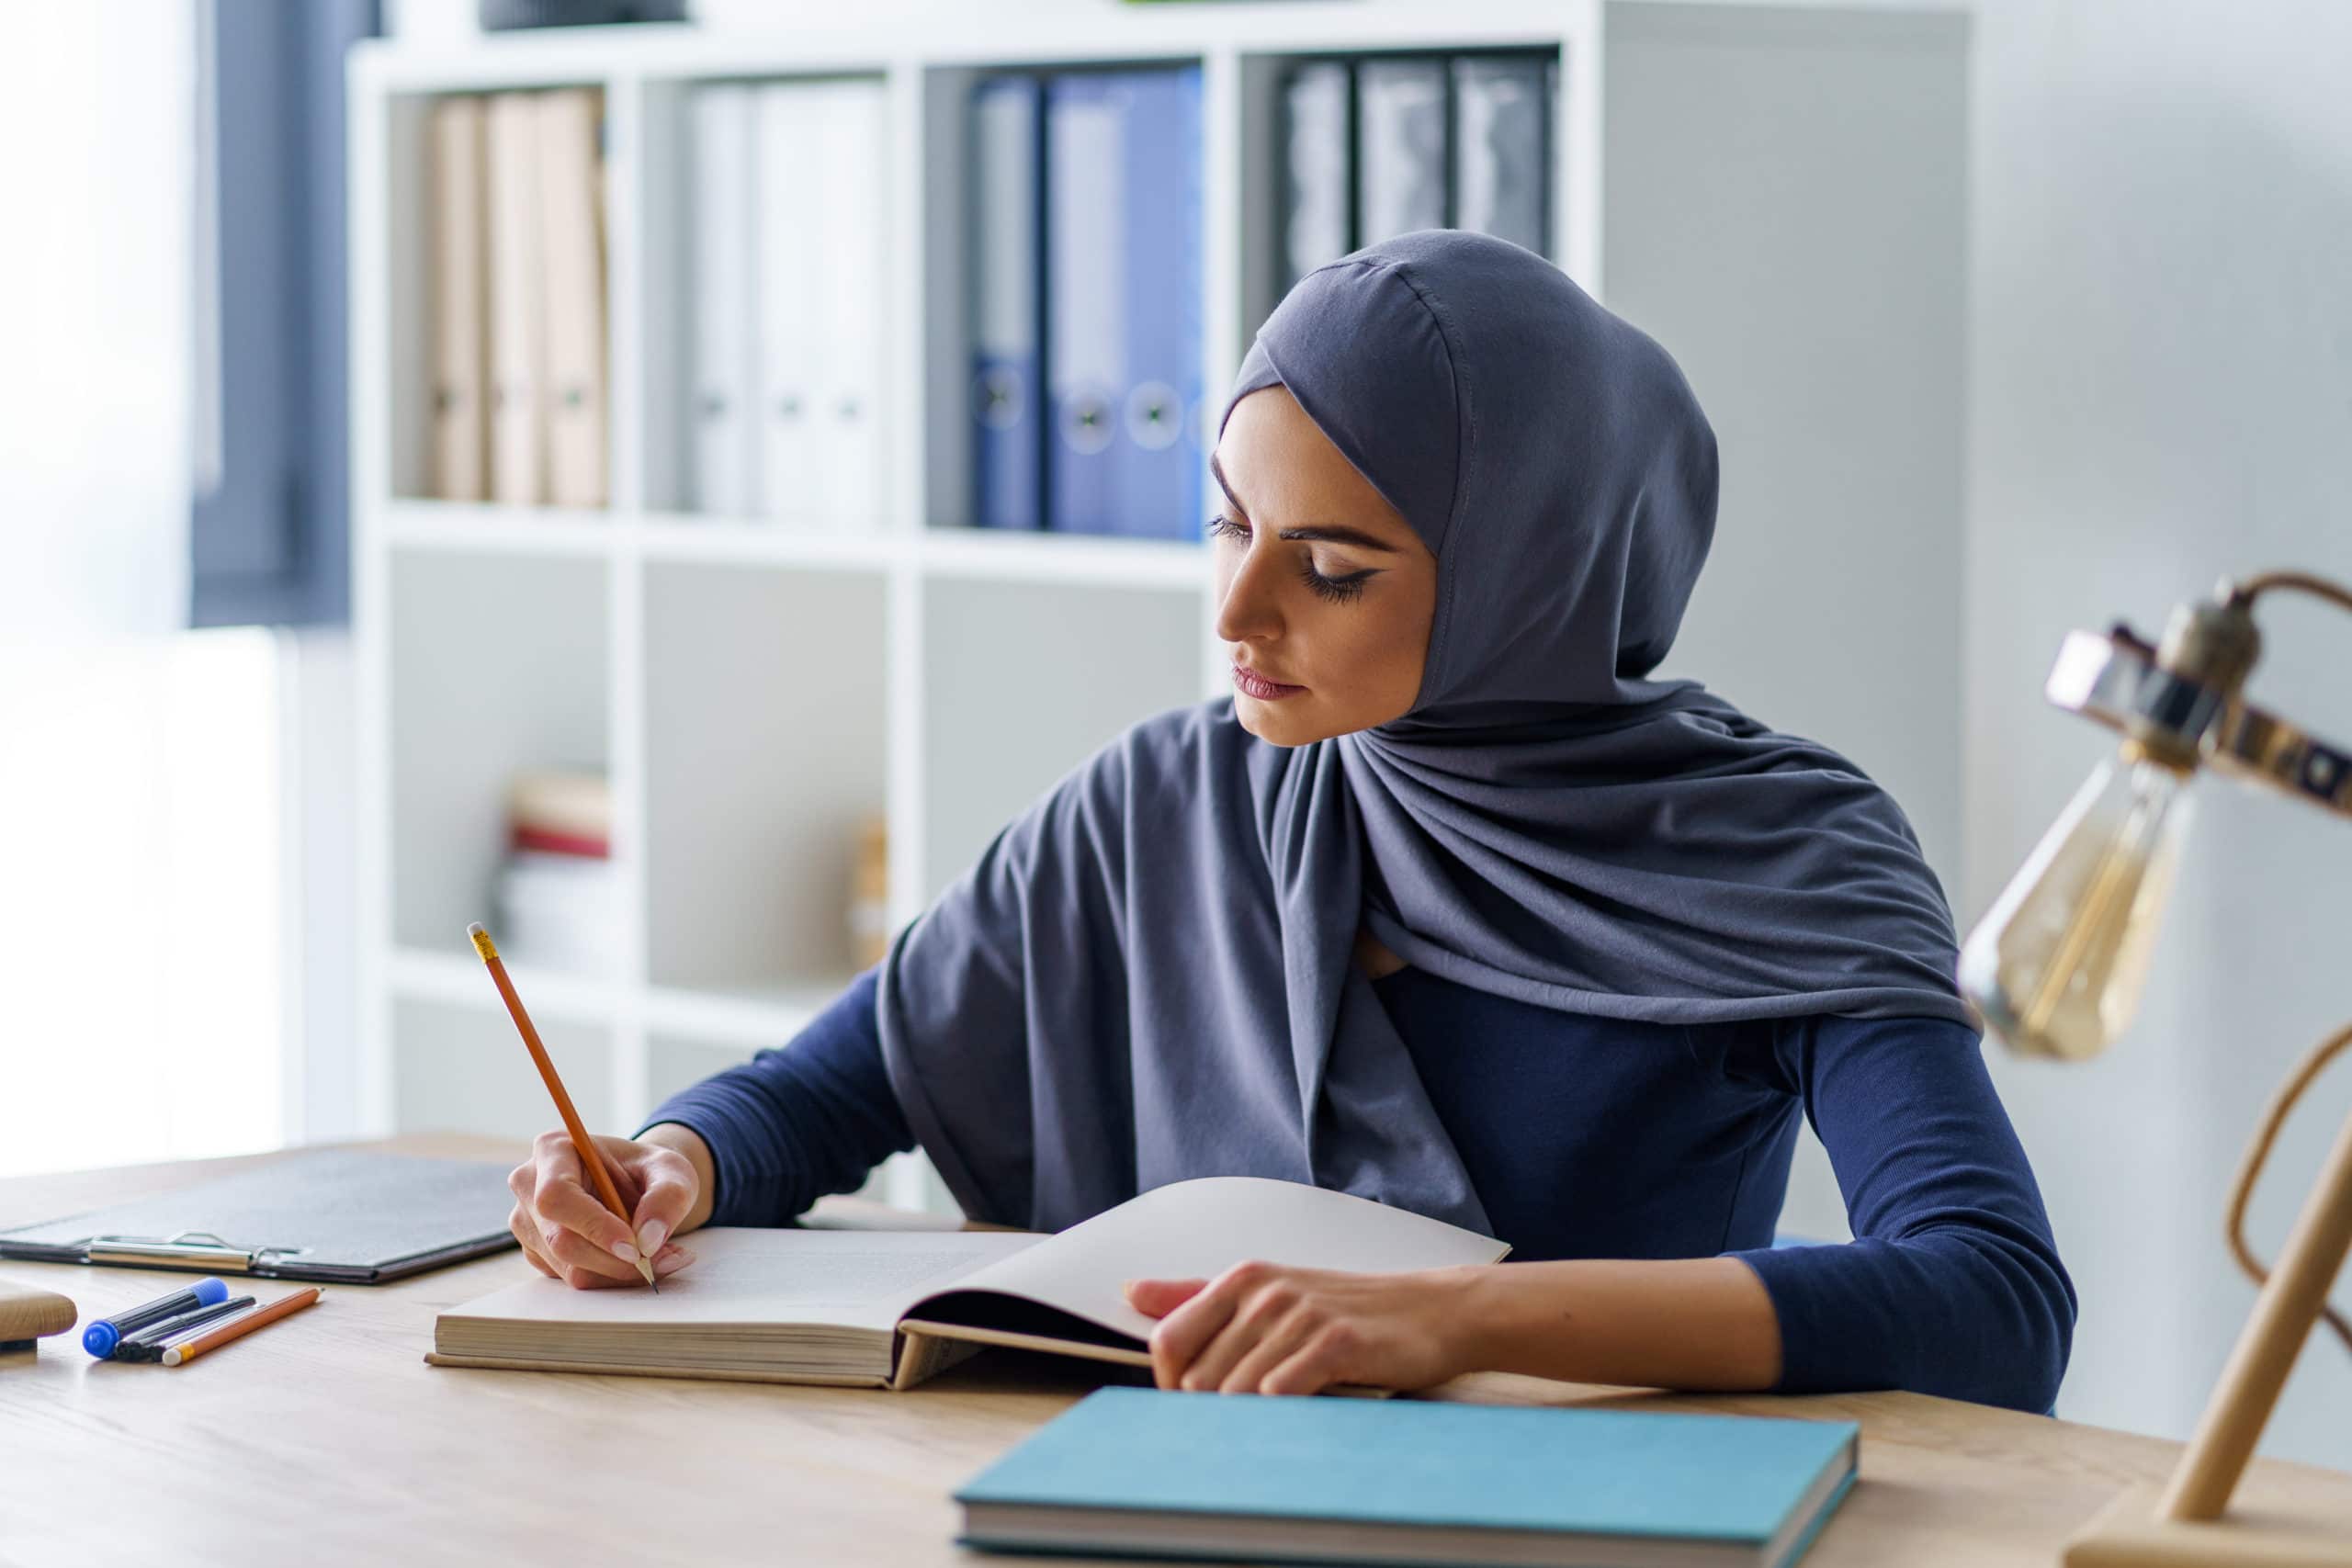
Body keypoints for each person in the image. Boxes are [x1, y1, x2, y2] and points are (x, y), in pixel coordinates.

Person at [507, 230, 2075, 1413]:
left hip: (1587, 1525)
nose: (1238, 611)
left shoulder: (1780, 854)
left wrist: (1456, 1320)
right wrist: (667, 1163)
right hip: (1156, 1494)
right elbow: (824, 1095)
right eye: (1226, 523)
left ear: (1532, 569)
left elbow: (1992, 1298)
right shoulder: (1164, 804)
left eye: (1331, 568)